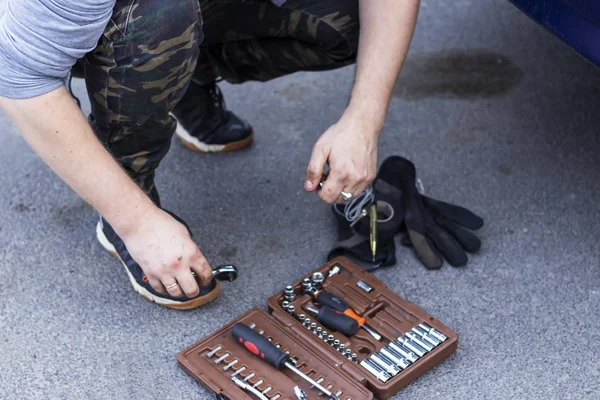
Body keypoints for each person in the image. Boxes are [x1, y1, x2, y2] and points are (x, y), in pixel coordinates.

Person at [0, 0, 420, 309]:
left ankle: (182, 78)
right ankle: (130, 188)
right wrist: (137, 222)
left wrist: (364, 117)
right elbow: (19, 77)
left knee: (351, 21)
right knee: (161, 13)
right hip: (107, 22)